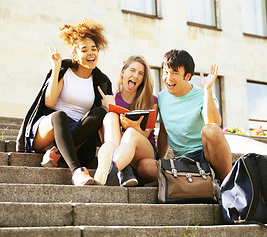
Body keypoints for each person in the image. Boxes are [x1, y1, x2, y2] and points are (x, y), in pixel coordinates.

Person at [16, 19, 113, 186]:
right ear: (75, 55)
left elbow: (101, 121)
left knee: (100, 113)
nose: (91, 53)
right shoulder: (64, 71)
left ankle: (55, 153)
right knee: (59, 115)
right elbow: (49, 102)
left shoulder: (101, 81)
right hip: (49, 128)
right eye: (84, 50)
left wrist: (109, 105)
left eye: (94, 49)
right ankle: (76, 171)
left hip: (76, 133)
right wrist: (55, 68)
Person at [157, 49, 232, 182]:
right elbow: (163, 132)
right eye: (166, 72)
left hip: (206, 154)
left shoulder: (202, 95)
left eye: (175, 72)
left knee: (211, 130)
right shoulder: (162, 98)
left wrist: (207, 90)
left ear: (187, 76)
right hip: (182, 160)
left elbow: (213, 123)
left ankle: (229, 185)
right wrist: (160, 161)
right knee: (146, 168)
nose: (169, 78)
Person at [95, 55, 158, 186]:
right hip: (120, 148)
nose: (136, 75)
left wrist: (132, 126)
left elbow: (146, 134)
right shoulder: (110, 100)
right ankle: (124, 169)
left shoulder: (151, 101)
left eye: (141, 73)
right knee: (110, 116)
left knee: (130, 133)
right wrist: (108, 109)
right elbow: (104, 136)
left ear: (143, 79)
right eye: (132, 70)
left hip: (144, 150)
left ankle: (111, 170)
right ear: (123, 72)